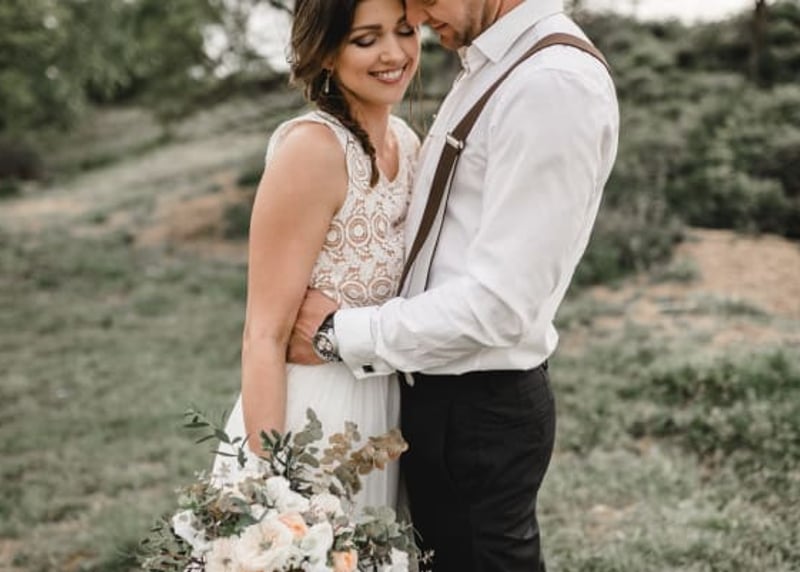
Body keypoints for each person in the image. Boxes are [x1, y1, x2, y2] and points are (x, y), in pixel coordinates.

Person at [287, 0, 620, 570]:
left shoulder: (551, 84)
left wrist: (339, 333)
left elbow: (501, 306)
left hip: (479, 408)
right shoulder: (496, 64)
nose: (415, 14)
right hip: (440, 394)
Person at [211, 0, 421, 513]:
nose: (394, 53)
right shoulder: (312, 151)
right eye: (366, 39)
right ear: (326, 53)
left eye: (405, 31)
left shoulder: (407, 142)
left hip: (388, 416)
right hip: (313, 418)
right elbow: (264, 334)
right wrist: (271, 487)